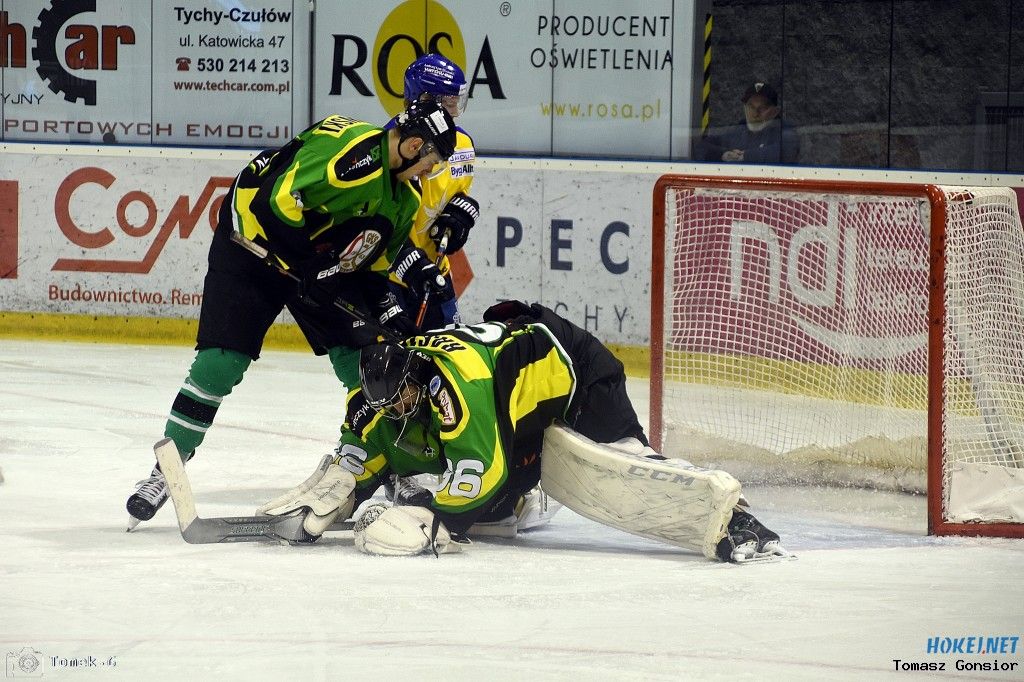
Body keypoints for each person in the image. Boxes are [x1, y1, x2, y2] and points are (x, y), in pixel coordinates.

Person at [124, 100, 459, 529]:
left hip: (314, 264)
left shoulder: (404, 199)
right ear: (413, 146)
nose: (429, 174)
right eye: (431, 162)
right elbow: (273, 203)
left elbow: (374, 270)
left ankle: (388, 467)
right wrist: (309, 267)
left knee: (370, 364)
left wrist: (387, 314)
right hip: (250, 246)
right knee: (219, 365)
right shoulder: (350, 155)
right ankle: (163, 473)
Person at [262, 301, 787, 563]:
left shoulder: (455, 386)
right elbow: (363, 446)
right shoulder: (382, 391)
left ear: (415, 378)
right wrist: (344, 489)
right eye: (387, 404)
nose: (396, 409)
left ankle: (735, 517)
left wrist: (436, 518)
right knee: (478, 504)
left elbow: (482, 467)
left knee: (624, 457)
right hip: (515, 397)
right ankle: (512, 503)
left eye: (402, 398)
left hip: (573, 370)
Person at [382, 52, 479, 331]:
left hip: (435, 273)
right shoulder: (391, 148)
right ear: (424, 100)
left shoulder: (462, 145)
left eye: (457, 101)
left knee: (448, 352)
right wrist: (407, 260)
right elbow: (377, 220)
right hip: (388, 278)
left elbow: (452, 198)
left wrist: (461, 215)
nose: (455, 110)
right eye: (448, 103)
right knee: (391, 356)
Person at [698, 80, 799, 164]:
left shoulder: (784, 132)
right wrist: (724, 154)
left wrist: (745, 156)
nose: (755, 113)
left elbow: (786, 151)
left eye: (762, 108)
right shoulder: (738, 132)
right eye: (751, 107)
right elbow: (701, 147)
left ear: (775, 111)